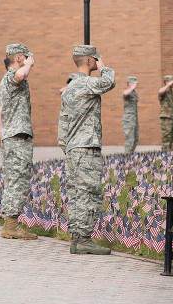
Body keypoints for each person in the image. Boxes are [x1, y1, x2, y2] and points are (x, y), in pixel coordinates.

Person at [58, 44, 115, 255]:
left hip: (73, 148)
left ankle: (76, 237)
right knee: (88, 193)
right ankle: (84, 239)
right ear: (90, 61)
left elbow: (62, 123)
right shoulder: (86, 83)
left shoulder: (70, 87)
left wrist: (66, 146)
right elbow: (109, 82)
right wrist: (105, 67)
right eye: (96, 60)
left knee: (75, 193)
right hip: (86, 147)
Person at [0, 44, 38, 240]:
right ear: (19, 58)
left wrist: (3, 131)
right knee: (18, 181)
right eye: (26, 57)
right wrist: (28, 65)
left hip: (12, 135)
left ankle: (10, 224)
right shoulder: (11, 76)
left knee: (14, 179)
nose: (31, 60)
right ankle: (11, 225)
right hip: (17, 137)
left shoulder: (6, 80)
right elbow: (20, 75)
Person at [158, 75, 173, 151]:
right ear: (166, 82)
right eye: (172, 81)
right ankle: (165, 155)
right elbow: (160, 91)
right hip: (166, 118)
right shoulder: (164, 91)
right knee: (167, 138)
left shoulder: (171, 92)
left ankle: (171, 156)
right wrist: (167, 85)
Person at [122, 76, 139, 153]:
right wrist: (131, 88)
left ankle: (130, 157)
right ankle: (127, 159)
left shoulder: (133, 93)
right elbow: (125, 93)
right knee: (129, 140)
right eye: (133, 83)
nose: (136, 85)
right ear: (129, 83)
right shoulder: (128, 91)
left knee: (135, 139)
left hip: (134, 119)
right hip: (128, 120)